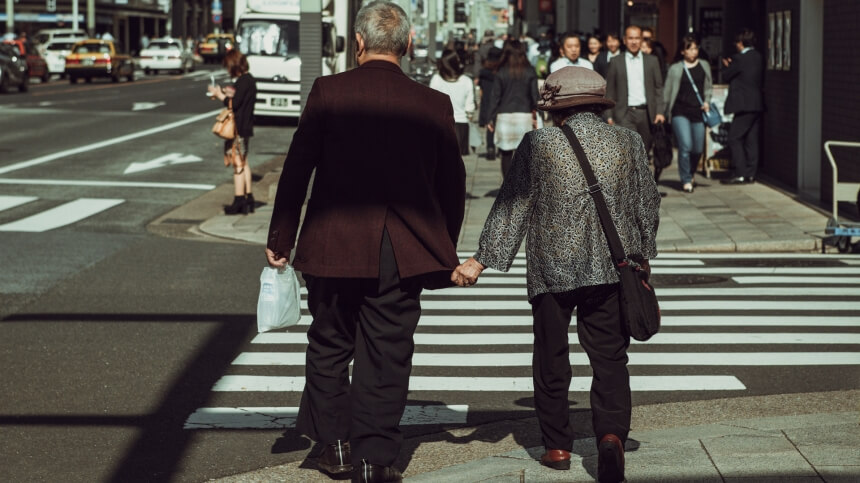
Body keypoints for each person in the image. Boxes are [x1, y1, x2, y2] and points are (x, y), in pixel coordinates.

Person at [265, 2, 466, 482]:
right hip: (402, 246)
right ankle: (375, 458)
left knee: (329, 342)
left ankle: (335, 446)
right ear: (409, 44)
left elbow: (297, 169)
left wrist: (282, 236)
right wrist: (442, 244)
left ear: (358, 43)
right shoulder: (432, 102)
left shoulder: (329, 91)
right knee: (387, 350)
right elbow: (452, 184)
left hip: (333, 241)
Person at [452, 66, 660, 483]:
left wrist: (479, 261)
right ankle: (610, 437)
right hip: (612, 267)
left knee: (550, 356)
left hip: (553, 269)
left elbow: (515, 205)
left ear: (556, 107)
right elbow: (647, 203)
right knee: (610, 358)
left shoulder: (539, 143)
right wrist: (643, 255)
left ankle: (558, 446)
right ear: (598, 105)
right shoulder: (628, 141)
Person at [604, 25, 666, 159]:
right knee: (629, 152)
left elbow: (658, 88)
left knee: (643, 152)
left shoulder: (652, 61)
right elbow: (610, 90)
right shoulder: (615, 62)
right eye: (630, 38)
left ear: (642, 40)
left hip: (646, 114)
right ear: (624, 40)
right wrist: (609, 115)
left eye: (637, 38)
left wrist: (660, 111)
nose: (634, 42)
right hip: (624, 114)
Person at [208, 49, 257, 214]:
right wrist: (228, 92)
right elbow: (240, 99)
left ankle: (239, 199)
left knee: (237, 164)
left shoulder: (242, 81)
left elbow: (234, 104)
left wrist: (219, 95)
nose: (228, 70)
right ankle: (248, 197)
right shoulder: (250, 80)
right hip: (246, 126)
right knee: (244, 161)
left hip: (238, 128)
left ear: (235, 65)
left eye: (229, 67)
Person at [664, 35, 713, 193]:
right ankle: (686, 179)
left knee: (697, 149)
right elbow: (667, 91)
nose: (693, 52)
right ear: (683, 51)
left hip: (698, 111)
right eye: (690, 49)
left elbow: (708, 87)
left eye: (695, 48)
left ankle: (691, 172)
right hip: (680, 111)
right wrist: (663, 112)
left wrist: (707, 101)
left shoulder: (704, 65)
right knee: (685, 145)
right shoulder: (675, 68)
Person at [486, 39, 539, 180]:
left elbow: (495, 97)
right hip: (525, 116)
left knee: (505, 153)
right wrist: (538, 114)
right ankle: (522, 184)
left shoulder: (501, 71)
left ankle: (507, 185)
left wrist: (490, 118)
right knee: (525, 154)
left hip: (504, 116)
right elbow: (535, 96)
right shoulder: (530, 71)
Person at [720, 28, 764, 185]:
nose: (736, 45)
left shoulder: (739, 59)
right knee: (752, 140)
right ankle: (751, 173)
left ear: (740, 43)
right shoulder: (759, 57)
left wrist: (727, 65)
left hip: (743, 104)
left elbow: (726, 75)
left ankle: (740, 173)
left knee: (734, 138)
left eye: (736, 43)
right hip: (757, 103)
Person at [430, 49, 476, 155]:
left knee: (441, 157)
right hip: (461, 124)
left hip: (441, 123)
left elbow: (431, 103)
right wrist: (470, 117)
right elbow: (469, 107)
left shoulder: (436, 80)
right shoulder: (466, 81)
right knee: (458, 159)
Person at [477, 46, 503, 160]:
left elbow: (482, 89)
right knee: (500, 125)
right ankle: (501, 149)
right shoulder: (502, 72)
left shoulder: (484, 73)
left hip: (488, 102)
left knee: (490, 126)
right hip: (500, 102)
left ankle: (490, 147)